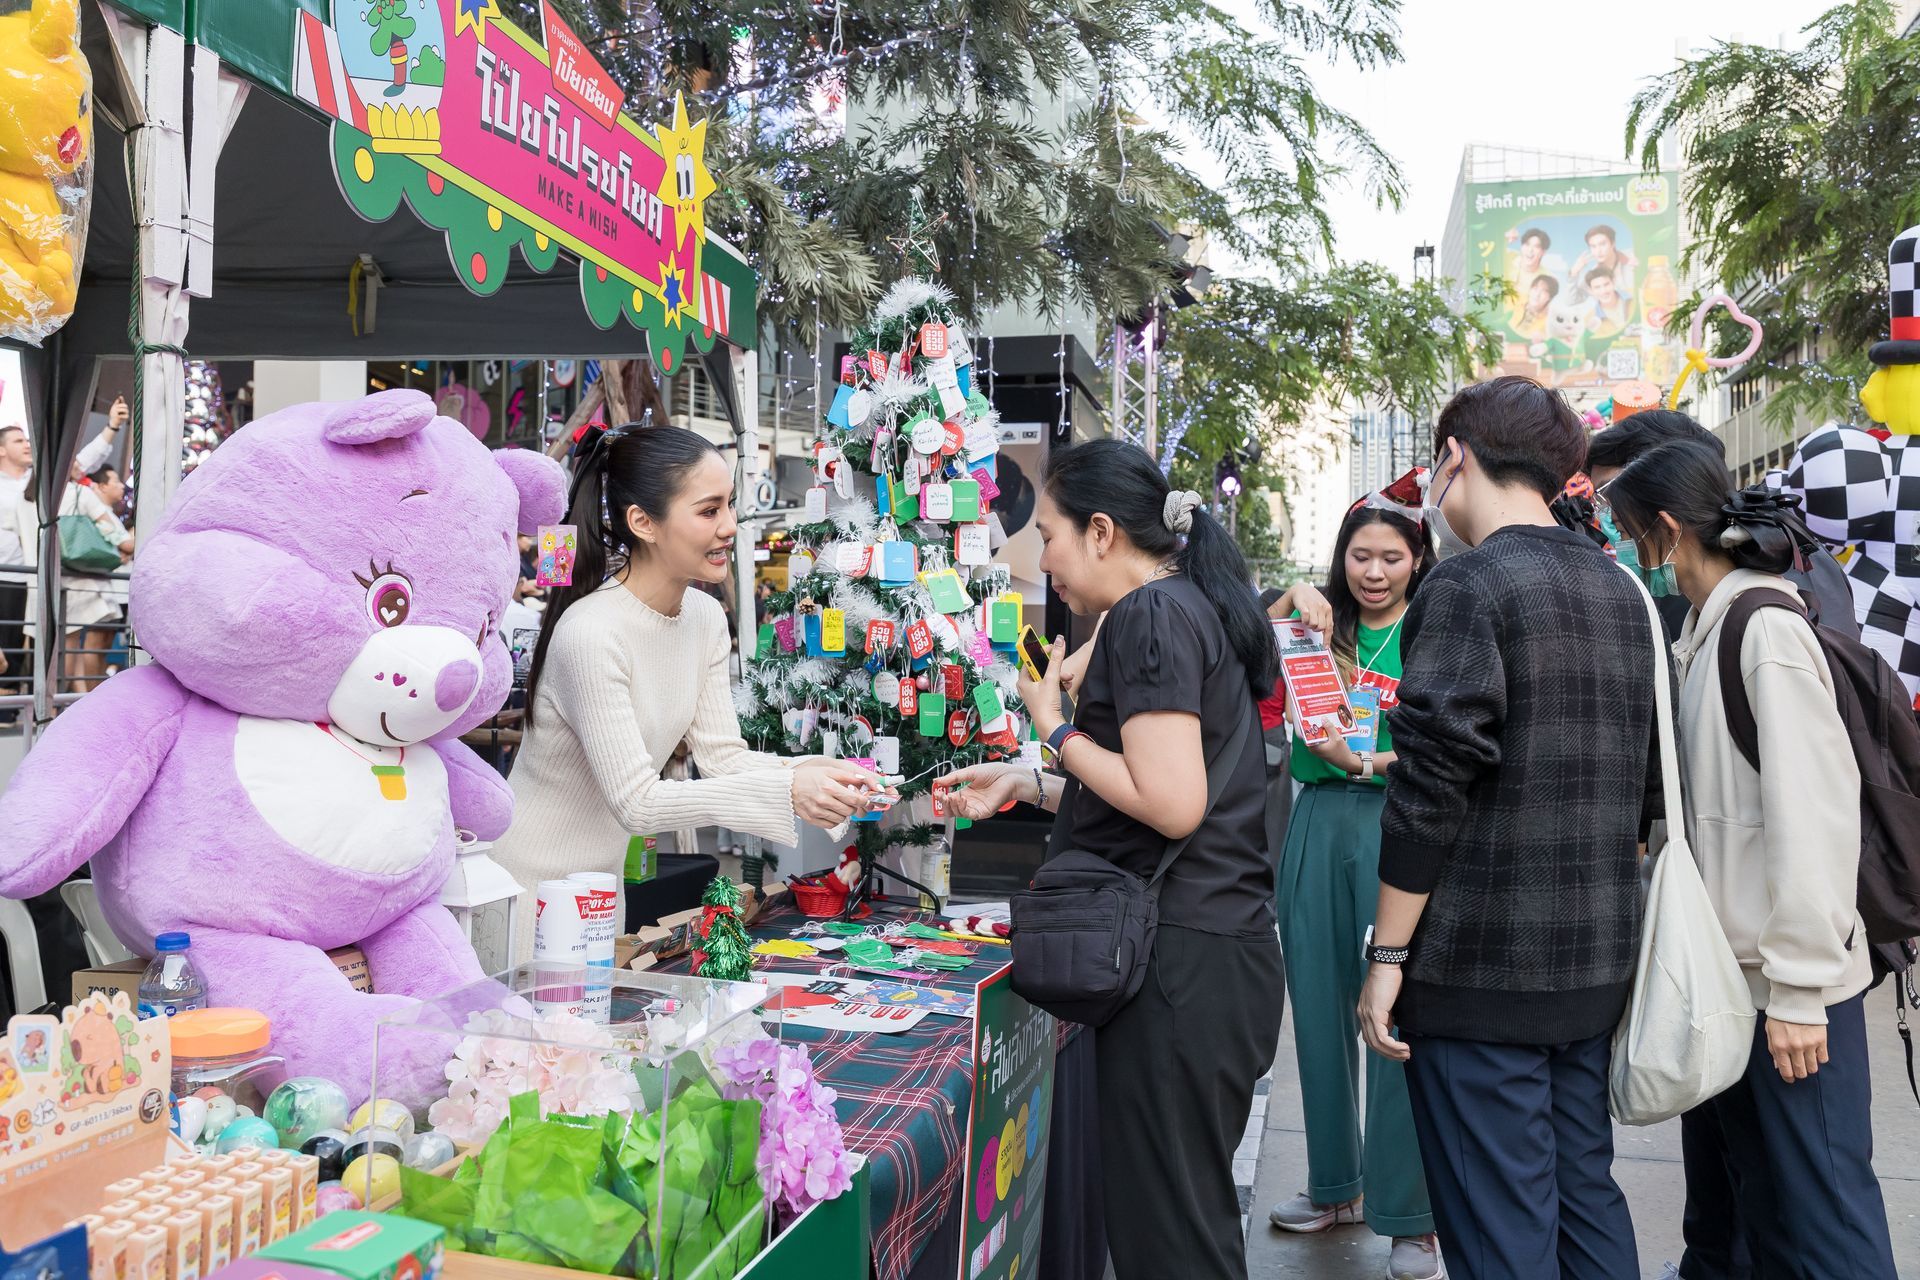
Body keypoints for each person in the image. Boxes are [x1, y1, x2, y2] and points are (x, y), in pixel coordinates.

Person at [937, 439, 1282, 1280]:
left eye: (1048, 535)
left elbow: (1171, 802)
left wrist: (1052, 726)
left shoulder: (1148, 616)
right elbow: (1161, 797)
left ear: (1100, 532)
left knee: (1173, 1245)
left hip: (1180, 968)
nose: (1043, 560)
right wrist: (1030, 784)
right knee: (1186, 1227)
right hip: (1212, 955)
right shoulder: (1191, 605)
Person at [1356, 375, 1658, 1280]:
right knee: (1585, 1201)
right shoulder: (1621, 590)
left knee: (1500, 1235)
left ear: (1456, 456)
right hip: (1593, 961)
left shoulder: (1469, 584)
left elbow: (1429, 788)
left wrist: (1387, 958)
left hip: (1482, 967)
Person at [1601, 438, 1897, 1279]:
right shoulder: (1709, 626)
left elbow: (1815, 818)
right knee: (1769, 1221)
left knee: (1826, 1227)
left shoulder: (1763, 628)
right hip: (1740, 989)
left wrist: (1801, 990)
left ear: (1665, 530)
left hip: (1790, 994)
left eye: (1628, 531)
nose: (1624, 550)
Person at [493, 419, 886, 956]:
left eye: (730, 505)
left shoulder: (703, 616)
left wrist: (814, 772)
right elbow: (637, 802)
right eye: (708, 510)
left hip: (599, 895)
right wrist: (787, 789)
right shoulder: (591, 632)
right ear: (643, 522)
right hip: (526, 894)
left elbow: (723, 757)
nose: (730, 526)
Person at [1264, 504, 1442, 1280]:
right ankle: (1334, 1186)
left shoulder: (1431, 630)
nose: (1374, 572)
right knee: (1315, 1005)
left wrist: (1367, 762)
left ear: (1417, 560)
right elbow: (1238, 655)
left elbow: (1448, 745)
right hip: (1314, 820)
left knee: (1391, 1012)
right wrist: (1287, 597)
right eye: (1360, 556)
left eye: (1391, 558)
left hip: (1396, 823)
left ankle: (1409, 1216)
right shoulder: (1315, 630)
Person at [1586, 410, 1858, 643]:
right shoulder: (1785, 543)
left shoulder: (1734, 579)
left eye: (1608, 494)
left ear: (1669, 472)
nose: (1607, 515)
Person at [1569, 224, 1637, 301]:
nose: (1598, 251)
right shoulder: (1594, 275)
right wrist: (1573, 273)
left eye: (1602, 244)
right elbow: (1572, 300)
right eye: (1593, 246)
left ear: (1613, 243)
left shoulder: (1632, 255)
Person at [1505, 274, 1556, 341]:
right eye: (1535, 288)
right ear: (1530, 289)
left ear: (1550, 298)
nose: (1537, 294)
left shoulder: (1547, 323)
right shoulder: (1514, 300)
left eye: (1543, 291)